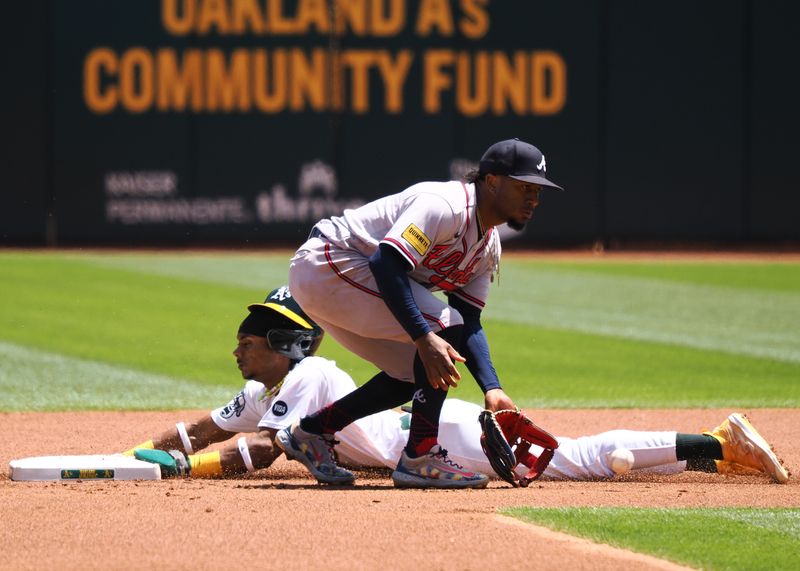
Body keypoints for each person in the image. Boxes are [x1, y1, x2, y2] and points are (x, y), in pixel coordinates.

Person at [124, 287, 789, 485]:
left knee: (582, 460)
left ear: (285, 345)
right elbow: (204, 427)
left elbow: (262, 449)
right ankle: (709, 446)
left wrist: (184, 468)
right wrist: (126, 457)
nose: (239, 342)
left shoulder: (311, 376)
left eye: (253, 333)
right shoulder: (265, 392)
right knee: (580, 458)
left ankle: (714, 440)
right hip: (426, 435)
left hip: (447, 436)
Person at [277, 138, 565, 488]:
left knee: (413, 371)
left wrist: (492, 388)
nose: (533, 198)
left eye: (537, 190)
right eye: (524, 187)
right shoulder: (445, 206)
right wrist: (423, 336)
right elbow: (386, 262)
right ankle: (420, 454)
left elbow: (469, 320)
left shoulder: (488, 246)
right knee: (438, 332)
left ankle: (313, 431)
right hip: (328, 262)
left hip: (342, 278)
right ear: (492, 181)